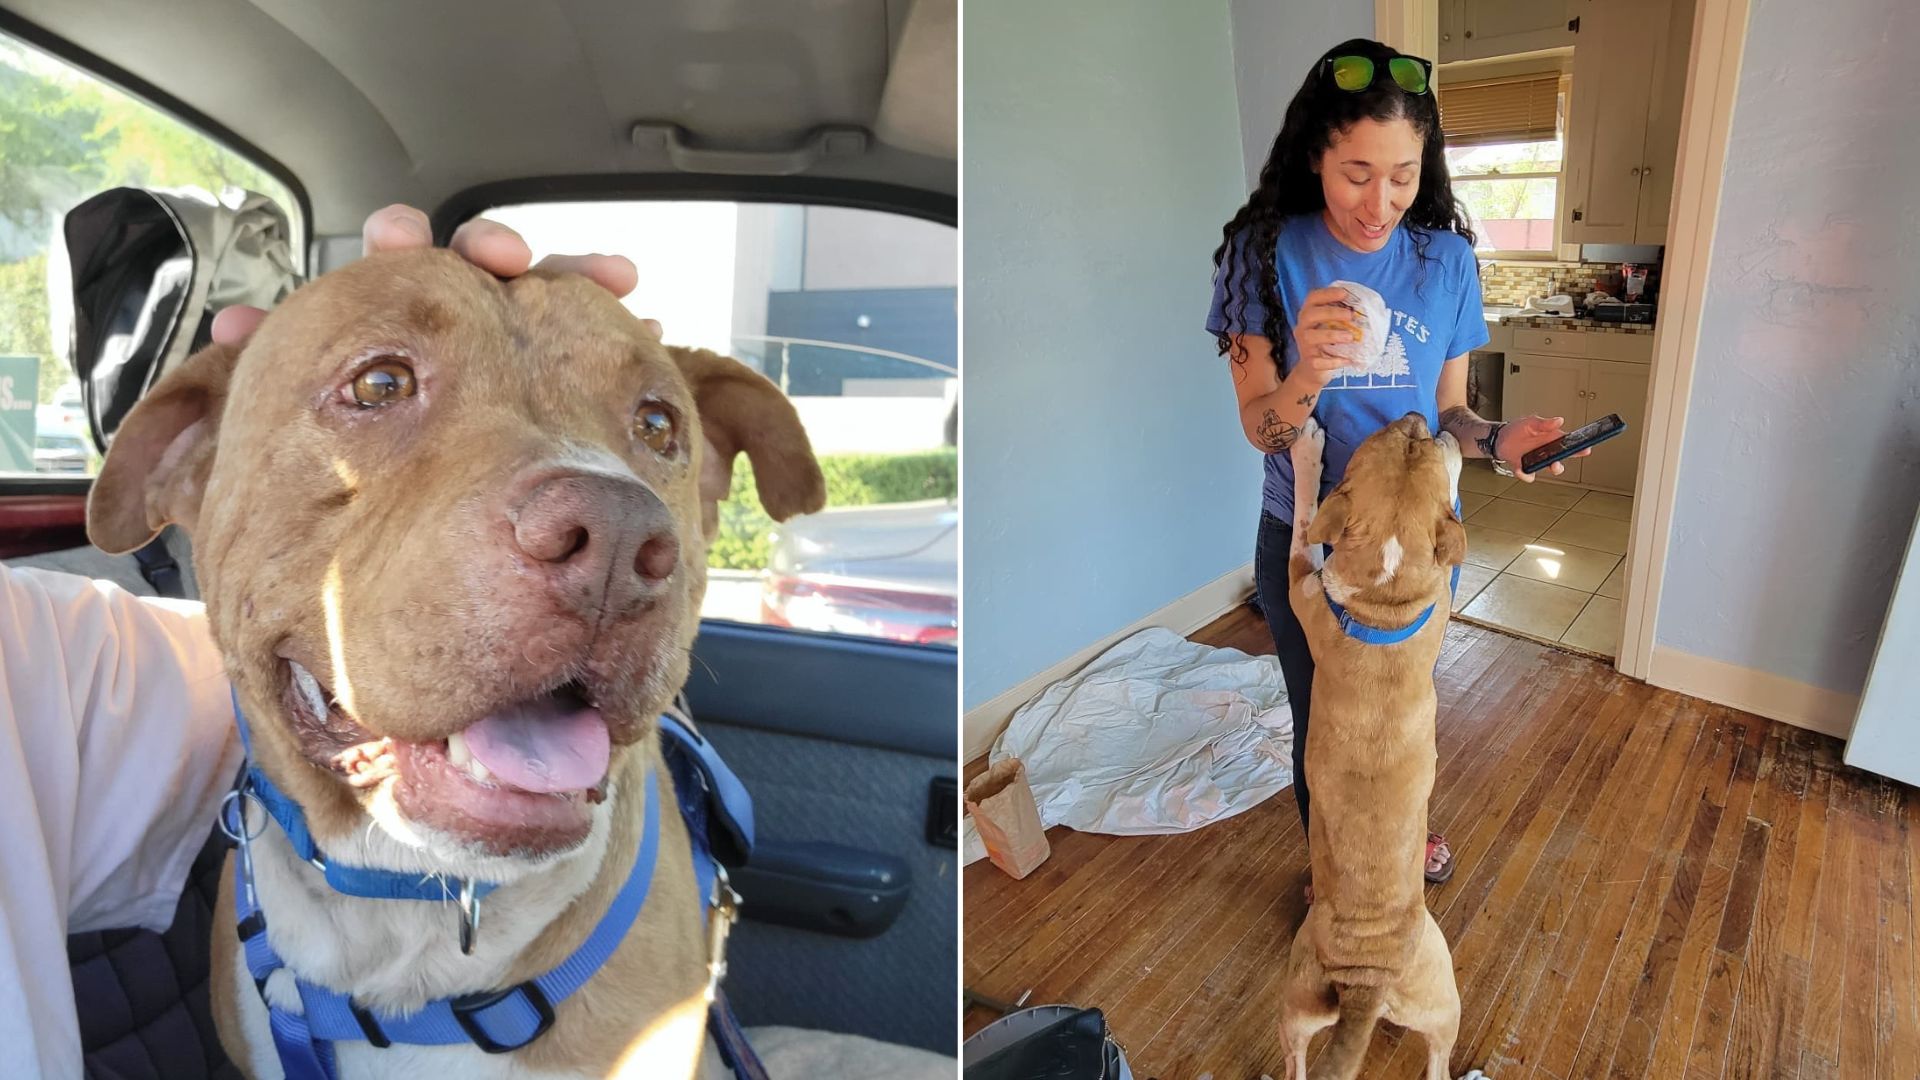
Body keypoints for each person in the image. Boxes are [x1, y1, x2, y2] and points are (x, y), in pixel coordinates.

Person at [0, 205, 638, 1076]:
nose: (599, 520)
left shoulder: (45, 670)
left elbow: (251, 648)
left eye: (656, 431)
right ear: (181, 459)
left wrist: (548, 389)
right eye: (379, 386)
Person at [1205, 39, 1586, 897]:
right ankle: (1336, 871)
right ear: (1315, 158)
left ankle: (1400, 833)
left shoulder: (1443, 260)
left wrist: (1500, 441)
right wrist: (1305, 370)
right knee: (1326, 721)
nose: (1379, 204)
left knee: (1403, 716)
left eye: (1403, 176)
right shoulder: (1261, 258)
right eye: (1356, 173)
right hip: (1308, 540)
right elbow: (1263, 430)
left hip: (1419, 546)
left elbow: (1451, 415)